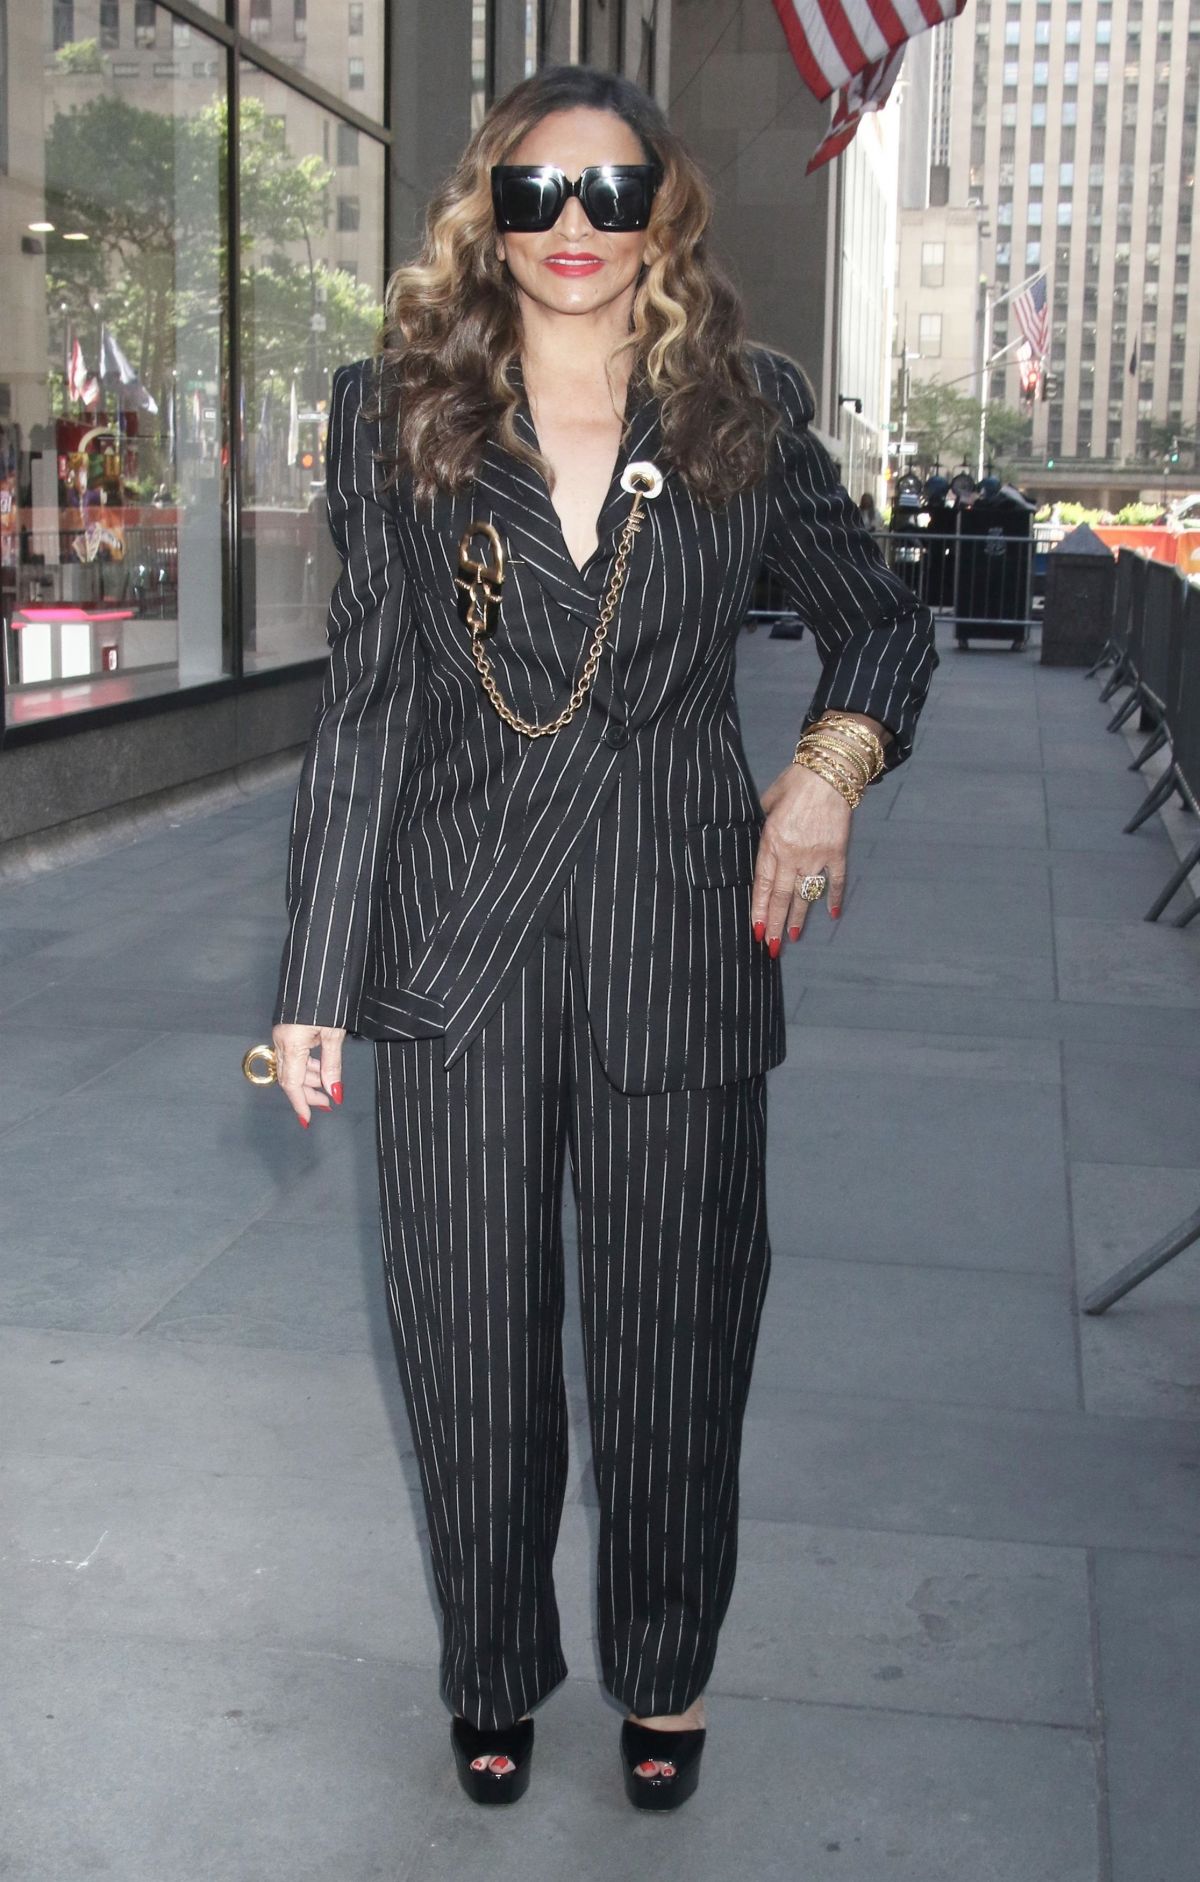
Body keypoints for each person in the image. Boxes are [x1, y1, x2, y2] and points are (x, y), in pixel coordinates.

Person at [263, 64, 937, 1812]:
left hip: (677, 943)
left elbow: (881, 623)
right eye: (536, 192)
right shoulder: (392, 409)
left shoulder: (741, 407)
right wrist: (317, 981)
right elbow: (368, 712)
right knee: (471, 1347)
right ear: (486, 212)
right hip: (452, 961)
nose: (575, 229)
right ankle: (493, 1664)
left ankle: (665, 1665)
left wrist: (824, 774)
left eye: (612, 189)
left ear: (666, 210)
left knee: (675, 1346)